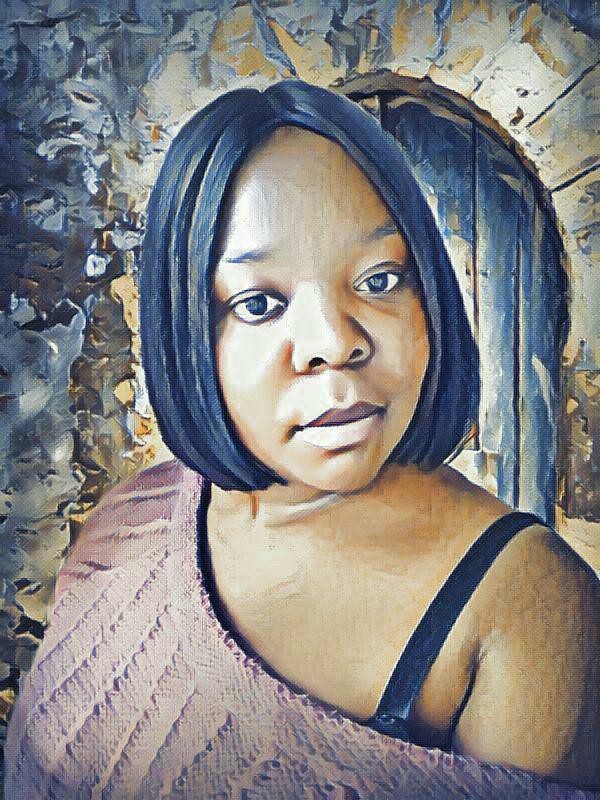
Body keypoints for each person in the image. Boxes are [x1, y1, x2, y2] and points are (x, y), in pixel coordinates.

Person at [5, 80, 599, 798]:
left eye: (380, 280)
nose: (334, 343)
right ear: (186, 332)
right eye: (259, 303)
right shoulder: (128, 522)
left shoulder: (530, 601)